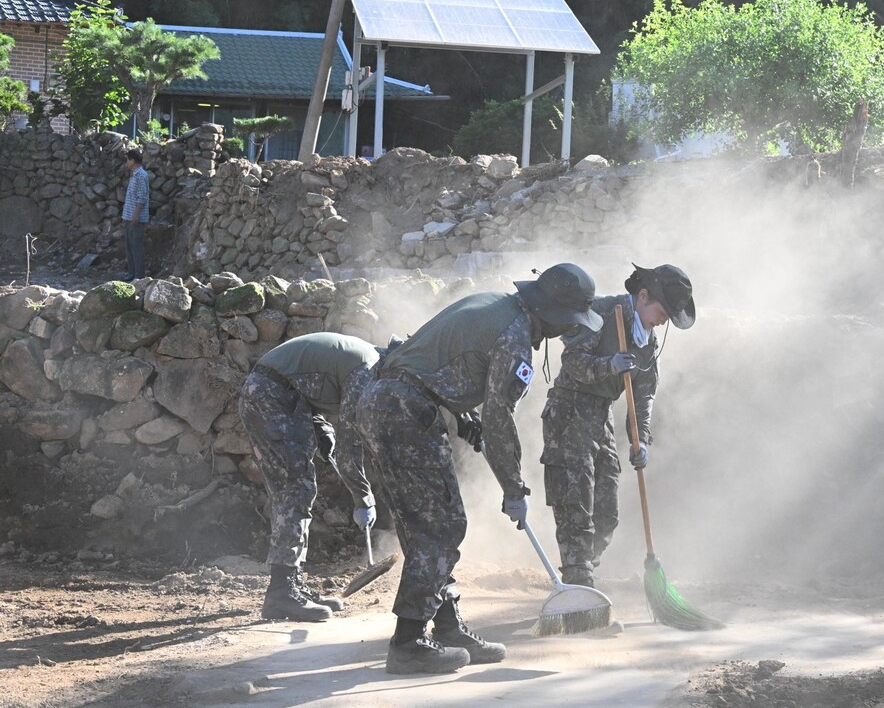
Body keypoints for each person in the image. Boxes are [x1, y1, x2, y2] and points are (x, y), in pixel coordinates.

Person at [355, 263, 603, 675]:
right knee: (442, 526)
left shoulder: (494, 303)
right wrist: (514, 488)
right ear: (556, 315)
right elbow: (500, 419)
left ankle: (447, 625)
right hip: (404, 411)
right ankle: (408, 642)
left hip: (383, 400)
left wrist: (457, 406)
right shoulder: (516, 338)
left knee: (425, 524)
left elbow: (435, 356)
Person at [541, 263, 695, 587]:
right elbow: (572, 361)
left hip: (600, 416)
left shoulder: (648, 342)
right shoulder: (601, 312)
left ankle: (583, 571)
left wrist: (642, 440)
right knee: (576, 502)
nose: (664, 321)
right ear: (642, 296)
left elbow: (643, 395)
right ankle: (579, 581)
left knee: (607, 513)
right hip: (569, 409)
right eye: (662, 312)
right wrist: (608, 366)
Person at [238, 332, 381, 622]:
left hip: (281, 395)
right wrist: (363, 498)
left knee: (298, 488)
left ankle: (293, 584)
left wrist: (320, 426)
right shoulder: (367, 370)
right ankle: (282, 591)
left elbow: (306, 381)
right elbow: (349, 447)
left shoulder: (365, 359)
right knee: (295, 489)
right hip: (272, 397)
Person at [121, 147, 149, 280]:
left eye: (127, 160)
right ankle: (131, 274)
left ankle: (139, 277)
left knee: (136, 248)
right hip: (128, 217)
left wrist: (135, 216)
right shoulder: (134, 175)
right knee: (129, 247)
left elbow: (142, 197)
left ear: (132, 161)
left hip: (135, 219)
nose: (126, 162)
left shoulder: (141, 175)